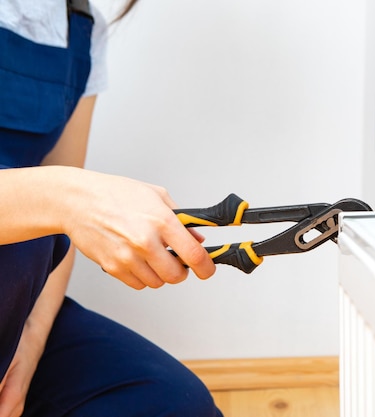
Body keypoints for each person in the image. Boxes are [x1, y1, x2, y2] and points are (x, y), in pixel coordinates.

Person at [0, 0, 224, 415]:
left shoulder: (82, 28)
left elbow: (57, 231)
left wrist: (29, 345)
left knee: (172, 403)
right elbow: (62, 200)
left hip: (19, 303)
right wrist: (67, 197)